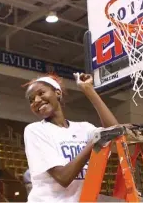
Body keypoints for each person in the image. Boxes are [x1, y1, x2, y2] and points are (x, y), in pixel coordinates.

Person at [23, 73, 123, 202]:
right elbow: (63, 177)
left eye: (41, 93)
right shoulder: (35, 130)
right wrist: (93, 143)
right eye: (31, 100)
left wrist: (89, 90)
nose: (36, 101)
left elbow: (117, 135)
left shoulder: (84, 128)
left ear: (57, 93)